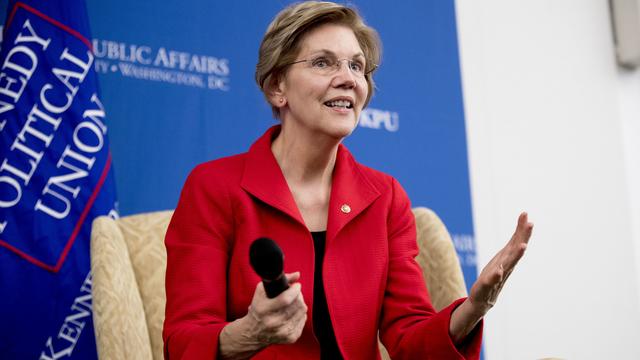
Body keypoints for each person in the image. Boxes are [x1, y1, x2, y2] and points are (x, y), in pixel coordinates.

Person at [162, 2, 533, 359]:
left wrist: (473, 307)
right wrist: (249, 333)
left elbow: (408, 338)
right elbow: (182, 342)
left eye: (357, 66)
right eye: (323, 63)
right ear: (278, 86)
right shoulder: (213, 187)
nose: (348, 79)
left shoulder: (385, 198)